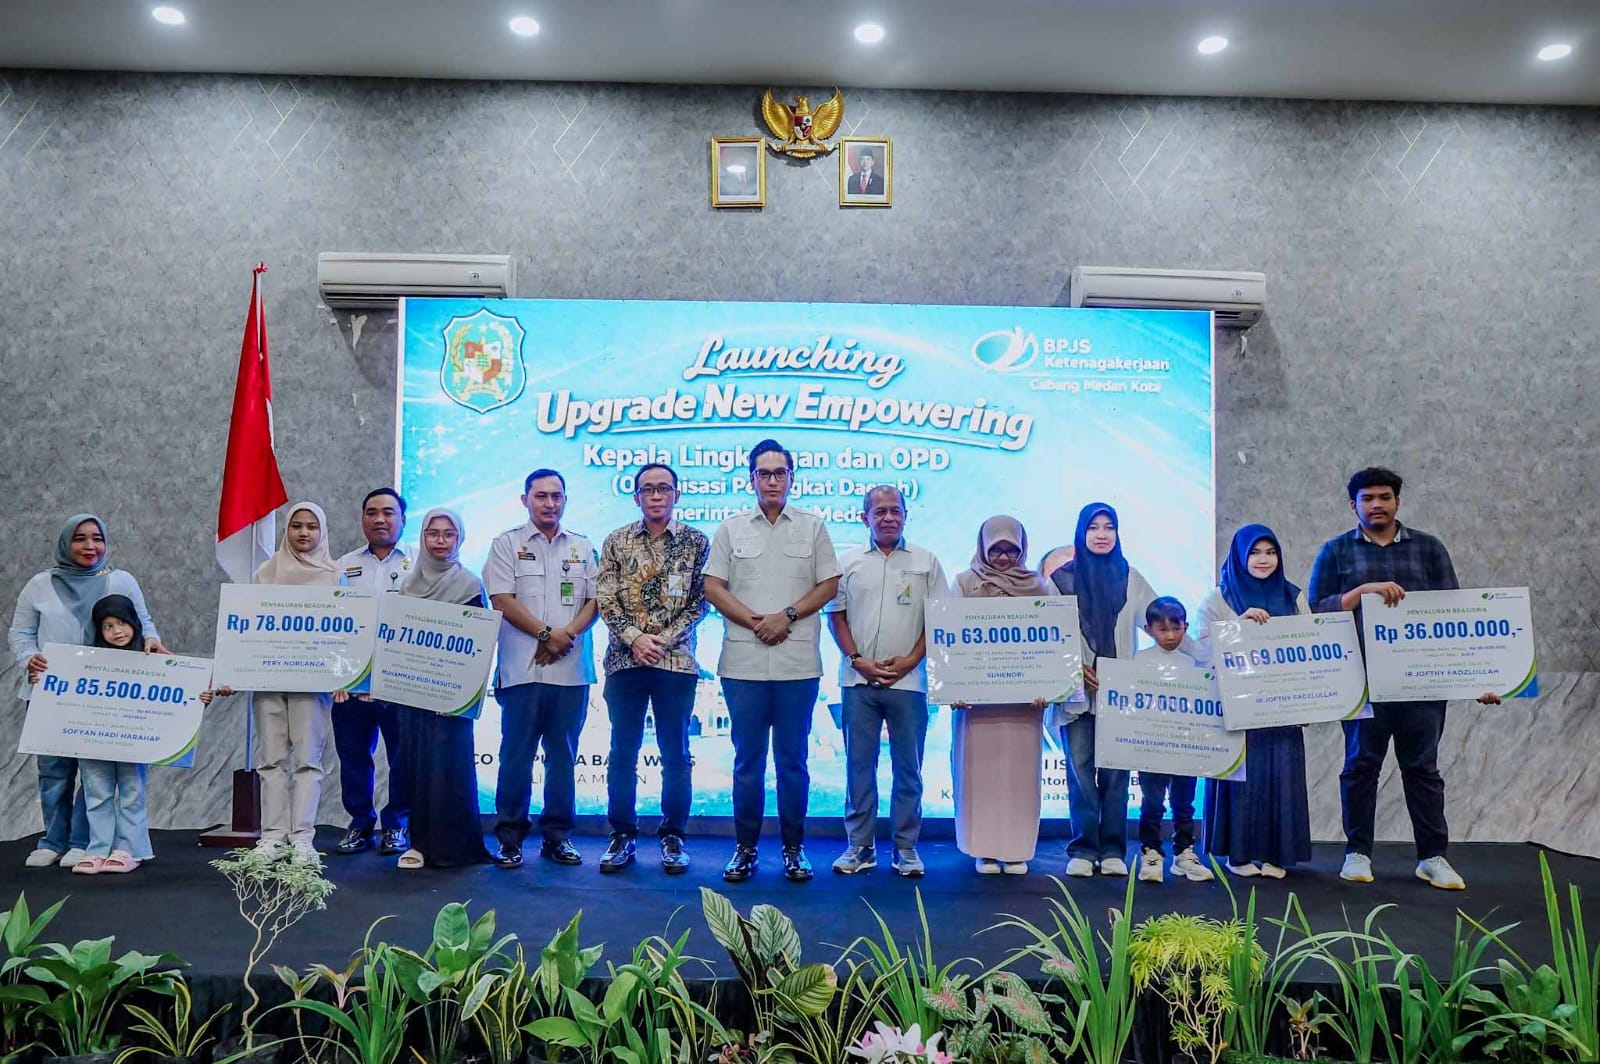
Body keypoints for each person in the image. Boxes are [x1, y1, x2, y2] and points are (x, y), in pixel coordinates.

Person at [1308, 467, 1498, 891]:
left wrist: (1479, 678)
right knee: (1360, 768)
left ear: (1397, 501)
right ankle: (1357, 853)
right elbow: (1317, 610)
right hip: (1362, 683)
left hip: (1422, 684)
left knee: (1423, 770)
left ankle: (1432, 857)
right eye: (1367, 498)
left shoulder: (1429, 549)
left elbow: (1457, 616)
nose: (1376, 505)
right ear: (1353, 505)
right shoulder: (1335, 551)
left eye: (1384, 497)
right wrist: (1360, 593)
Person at [704, 439, 841, 883]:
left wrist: (787, 616)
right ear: (751, 479)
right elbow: (713, 587)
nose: (772, 481)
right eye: (764, 474)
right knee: (747, 761)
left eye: (780, 473)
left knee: (793, 761)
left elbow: (828, 585)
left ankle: (794, 849)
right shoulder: (730, 529)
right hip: (742, 664)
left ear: (791, 477)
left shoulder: (813, 527)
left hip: (796, 664)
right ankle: (744, 849)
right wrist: (757, 622)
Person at [10, 514, 165, 870]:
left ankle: (83, 843)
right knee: (54, 771)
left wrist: (152, 642)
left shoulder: (121, 581)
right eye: (80, 538)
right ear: (66, 543)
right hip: (50, 693)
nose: (90, 546)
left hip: (104, 696)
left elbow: (144, 623)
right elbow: (20, 633)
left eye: (97, 538)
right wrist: (28, 657)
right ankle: (53, 841)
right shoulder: (39, 585)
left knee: (95, 774)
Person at [827, 485, 949, 879]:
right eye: (879, 511)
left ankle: (906, 848)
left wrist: (912, 660)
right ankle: (860, 847)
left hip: (909, 682)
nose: (888, 518)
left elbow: (939, 618)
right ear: (864, 517)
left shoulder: (926, 561)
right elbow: (836, 616)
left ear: (906, 515)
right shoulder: (847, 562)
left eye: (895, 510)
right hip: (857, 682)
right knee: (858, 768)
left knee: (909, 769)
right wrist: (857, 661)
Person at [594, 463, 710, 875]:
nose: (656, 495)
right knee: (622, 751)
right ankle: (622, 834)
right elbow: (605, 599)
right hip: (624, 661)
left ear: (677, 493)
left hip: (675, 663)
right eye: (648, 489)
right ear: (636, 496)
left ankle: (673, 836)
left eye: (663, 488)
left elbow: (701, 602)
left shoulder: (696, 542)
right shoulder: (617, 540)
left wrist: (661, 640)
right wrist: (635, 639)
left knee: (675, 752)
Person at [482, 469, 599, 869]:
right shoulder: (506, 544)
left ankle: (558, 837)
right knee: (516, 756)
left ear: (565, 499)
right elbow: (501, 599)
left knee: (563, 757)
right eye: (541, 496)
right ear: (525, 500)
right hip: (521, 670)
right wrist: (548, 634)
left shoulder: (583, 546)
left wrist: (565, 636)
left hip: (570, 671)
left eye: (556, 496)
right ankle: (510, 838)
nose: (550, 503)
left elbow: (596, 601)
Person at [1199, 524, 1312, 880]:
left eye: (1271, 552)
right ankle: (1240, 854)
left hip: (1282, 708)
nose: (1263, 560)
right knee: (1242, 782)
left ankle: (1277, 854)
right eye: (1254, 553)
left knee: (1281, 778)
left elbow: (1312, 649)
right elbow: (1200, 652)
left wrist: (1311, 702)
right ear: (1239, 556)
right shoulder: (1219, 598)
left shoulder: (1293, 597)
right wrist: (1238, 626)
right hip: (1239, 709)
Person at [1051, 502, 1158, 878]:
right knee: (1080, 770)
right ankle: (1083, 847)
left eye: (1108, 527)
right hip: (1076, 693)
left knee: (1115, 772)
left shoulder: (1131, 578)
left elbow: (1160, 621)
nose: (1101, 534)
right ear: (1081, 533)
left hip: (1119, 694)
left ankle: (1113, 848)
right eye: (1093, 527)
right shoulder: (1059, 581)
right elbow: (1048, 638)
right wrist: (1073, 667)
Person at [951, 515, 1054, 875]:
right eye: (997, 550)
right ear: (983, 548)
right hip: (976, 706)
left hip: (1023, 706)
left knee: (1018, 776)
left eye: (1012, 550)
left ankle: (1015, 850)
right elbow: (949, 638)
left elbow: (1053, 641)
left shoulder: (1038, 586)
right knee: (980, 776)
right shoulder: (964, 583)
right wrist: (955, 687)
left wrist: (1048, 686)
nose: (1004, 557)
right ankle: (984, 850)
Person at [391, 509, 493, 870]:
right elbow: (397, 639)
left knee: (450, 766)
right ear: (422, 537)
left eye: (449, 534)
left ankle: (456, 846)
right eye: (433, 533)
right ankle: (418, 843)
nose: (440, 540)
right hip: (412, 693)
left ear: (459, 539)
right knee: (416, 765)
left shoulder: (469, 584)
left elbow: (478, 645)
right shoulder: (407, 586)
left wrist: (455, 692)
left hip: (453, 698)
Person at [254, 502, 340, 860]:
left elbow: (344, 633)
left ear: (322, 532)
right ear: (286, 530)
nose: (304, 533)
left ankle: (302, 837)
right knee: (270, 760)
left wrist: (343, 676)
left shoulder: (335, 576)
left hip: (313, 682)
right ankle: (272, 836)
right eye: (296, 526)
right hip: (269, 678)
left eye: (312, 527)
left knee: (308, 761)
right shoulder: (264, 572)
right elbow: (247, 626)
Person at [331, 488, 412, 857]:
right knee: (353, 758)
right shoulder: (342, 566)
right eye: (372, 512)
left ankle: (397, 825)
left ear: (402, 519)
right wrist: (335, 676)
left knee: (403, 759)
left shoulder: (419, 564)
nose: (380, 519)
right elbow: (330, 624)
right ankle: (361, 823)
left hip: (401, 680)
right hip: (352, 682)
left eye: (388, 512)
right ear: (363, 518)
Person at [73, 595, 159, 874]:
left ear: (134, 622)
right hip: (94, 736)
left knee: (133, 791)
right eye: (107, 626)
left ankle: (130, 850)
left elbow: (182, 691)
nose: (116, 631)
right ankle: (98, 849)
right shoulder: (85, 662)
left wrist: (200, 695)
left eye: (122, 623)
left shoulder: (152, 659)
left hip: (134, 736)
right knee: (96, 793)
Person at [1132, 596, 1214, 885]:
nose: (1170, 636)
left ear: (1186, 628)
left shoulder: (1193, 664)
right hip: (1151, 746)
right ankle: (1151, 852)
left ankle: (1184, 853)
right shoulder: (1138, 661)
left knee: (1184, 803)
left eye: (1176, 629)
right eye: (1163, 629)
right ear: (1148, 629)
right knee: (1152, 803)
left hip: (1185, 746)